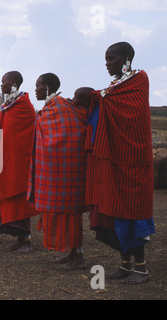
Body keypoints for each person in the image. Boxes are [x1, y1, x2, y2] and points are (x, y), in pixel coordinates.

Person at [86, 42, 155, 285]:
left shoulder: (138, 80)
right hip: (115, 160)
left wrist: (97, 97)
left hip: (133, 161)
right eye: (105, 59)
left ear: (126, 58)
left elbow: (129, 115)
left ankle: (142, 269)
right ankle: (125, 265)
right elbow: (105, 103)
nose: (107, 64)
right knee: (116, 214)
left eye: (111, 59)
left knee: (132, 213)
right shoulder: (115, 87)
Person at [28, 73, 89, 270]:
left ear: (46, 87)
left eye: (38, 86)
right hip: (55, 171)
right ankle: (73, 252)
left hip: (65, 171)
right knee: (65, 214)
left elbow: (68, 135)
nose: (35, 89)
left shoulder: (60, 106)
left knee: (70, 213)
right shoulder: (50, 108)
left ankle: (78, 256)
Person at [0, 71, 37, 252]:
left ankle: (26, 239)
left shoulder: (23, 105)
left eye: (4, 82)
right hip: (6, 158)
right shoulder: (8, 105)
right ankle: (18, 238)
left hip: (19, 160)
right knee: (8, 196)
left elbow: (25, 133)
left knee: (19, 197)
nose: (1, 85)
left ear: (14, 82)